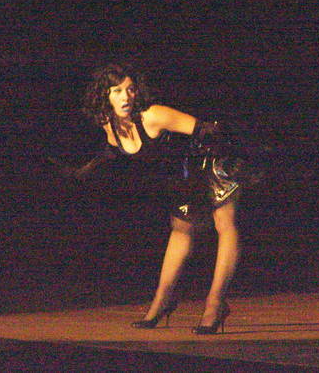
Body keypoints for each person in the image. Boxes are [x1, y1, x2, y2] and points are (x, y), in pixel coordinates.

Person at [57, 63, 248, 334]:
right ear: (105, 96)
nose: (125, 97)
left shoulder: (152, 115)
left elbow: (208, 131)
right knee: (181, 229)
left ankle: (214, 305)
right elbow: (112, 151)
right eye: (117, 91)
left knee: (224, 223)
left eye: (130, 89)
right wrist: (84, 170)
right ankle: (162, 302)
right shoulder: (109, 124)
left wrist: (236, 161)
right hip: (181, 173)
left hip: (213, 158)